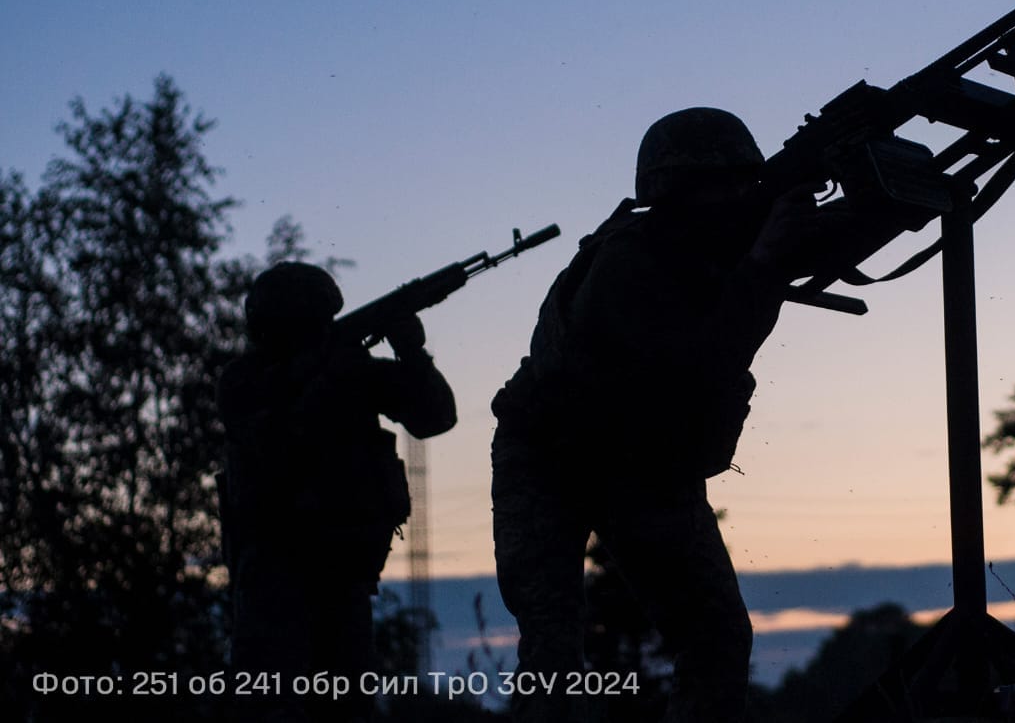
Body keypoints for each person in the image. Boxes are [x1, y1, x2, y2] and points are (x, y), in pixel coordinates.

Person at [491, 107, 824, 722]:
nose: (736, 198)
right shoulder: (630, 260)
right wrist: (763, 263)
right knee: (554, 649)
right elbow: (697, 361)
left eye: (742, 184)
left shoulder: (712, 250)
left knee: (717, 636)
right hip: (550, 457)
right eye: (719, 184)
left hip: (639, 458)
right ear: (675, 193)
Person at [219, 261, 457, 722]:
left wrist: (413, 353)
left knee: (347, 707)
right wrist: (331, 379)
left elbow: (435, 417)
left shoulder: (348, 369)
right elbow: (275, 445)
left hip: (343, 573)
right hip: (273, 574)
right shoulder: (244, 381)